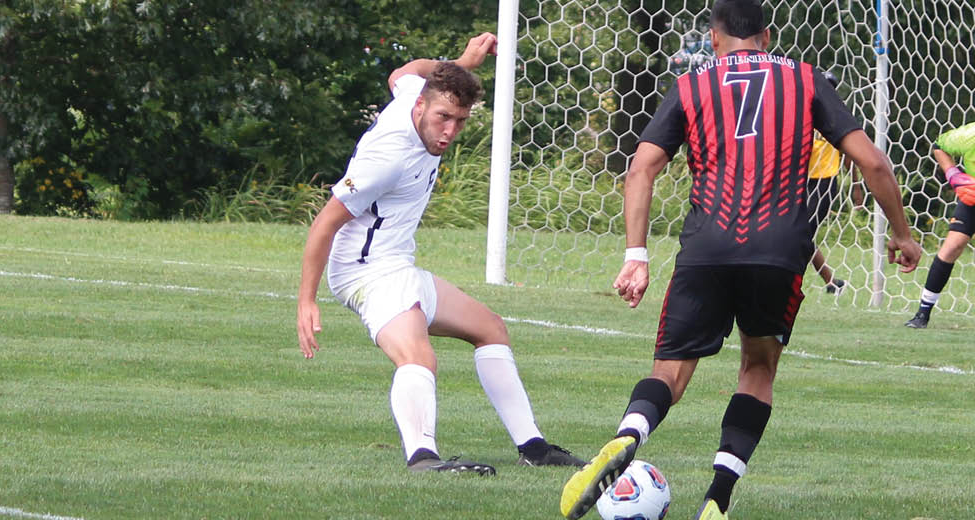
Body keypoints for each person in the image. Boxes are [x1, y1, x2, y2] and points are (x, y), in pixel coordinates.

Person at [559, 1, 921, 519]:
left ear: (713, 38)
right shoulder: (805, 79)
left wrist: (635, 256)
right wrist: (903, 235)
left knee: (671, 372)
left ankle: (626, 437)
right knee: (757, 368)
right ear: (767, 37)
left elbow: (640, 170)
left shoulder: (691, 85)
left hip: (706, 247)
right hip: (780, 251)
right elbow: (874, 162)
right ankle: (717, 501)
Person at [296, 32, 584, 476]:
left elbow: (403, 73)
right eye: (443, 118)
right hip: (364, 272)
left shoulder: (417, 93)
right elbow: (325, 223)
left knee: (491, 329)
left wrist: (462, 62)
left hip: (398, 265)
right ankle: (423, 459)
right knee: (418, 357)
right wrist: (306, 300)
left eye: (460, 120)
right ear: (420, 110)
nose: (449, 131)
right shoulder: (388, 157)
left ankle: (534, 447)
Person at [904, 121, 975, 328]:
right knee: (952, 246)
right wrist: (953, 175)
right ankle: (922, 314)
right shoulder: (969, 135)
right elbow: (939, 146)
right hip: (972, 199)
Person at [806, 71, 864, 294]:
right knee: (797, 235)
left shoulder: (834, 118)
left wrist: (856, 186)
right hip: (798, 182)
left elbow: (848, 154)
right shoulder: (800, 114)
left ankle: (828, 282)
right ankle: (832, 283)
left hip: (824, 183)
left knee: (802, 235)